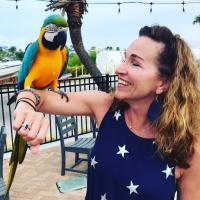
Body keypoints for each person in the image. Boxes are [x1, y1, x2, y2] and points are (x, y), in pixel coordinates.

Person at [13, 25, 200, 200]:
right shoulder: (105, 107)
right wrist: (25, 104)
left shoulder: (188, 146)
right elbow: (39, 96)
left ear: (163, 83)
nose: (119, 69)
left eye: (135, 63)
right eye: (125, 58)